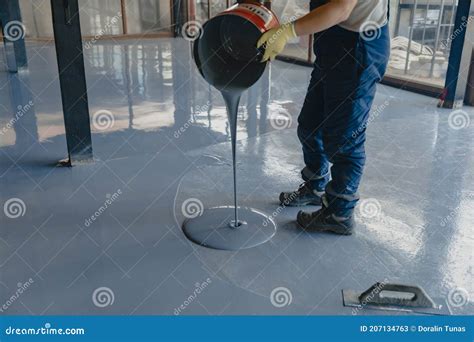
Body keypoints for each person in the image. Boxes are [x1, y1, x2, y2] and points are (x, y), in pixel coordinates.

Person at [257, 0, 390, 235]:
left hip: (358, 46)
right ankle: (315, 185)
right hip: (332, 42)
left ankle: (339, 213)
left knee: (344, 140)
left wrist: (288, 31)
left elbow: (341, 8)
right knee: (310, 125)